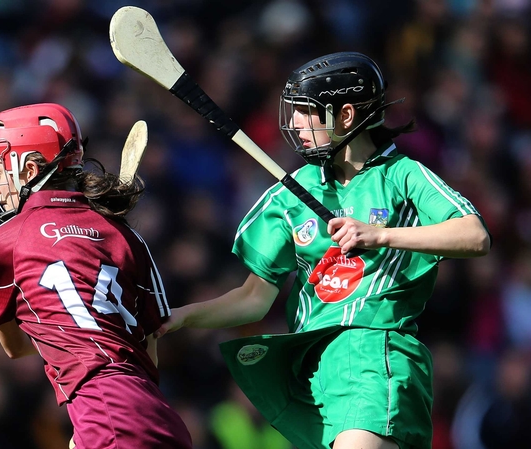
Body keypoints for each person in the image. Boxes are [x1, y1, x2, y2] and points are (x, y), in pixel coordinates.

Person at [155, 52, 491, 449]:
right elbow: (253, 299)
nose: (294, 123)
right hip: (312, 374)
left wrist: (381, 235)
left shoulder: (402, 175)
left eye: (304, 111)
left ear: (346, 116)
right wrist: (180, 318)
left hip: (373, 355)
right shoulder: (293, 191)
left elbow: (474, 236)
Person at [0, 103, 192, 448]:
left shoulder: (1, 242)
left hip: (109, 417)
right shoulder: (125, 236)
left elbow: (14, 348)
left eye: (0, 171)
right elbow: (148, 349)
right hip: (157, 416)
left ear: (29, 169)